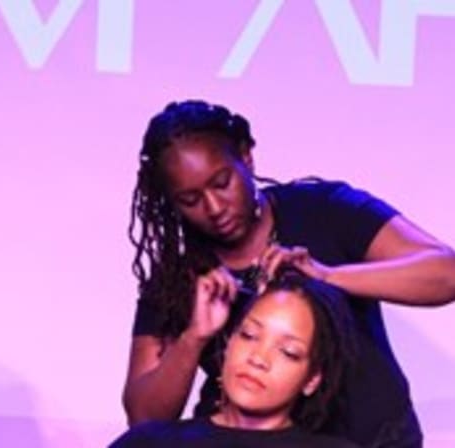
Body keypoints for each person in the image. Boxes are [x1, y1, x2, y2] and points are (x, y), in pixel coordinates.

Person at [123, 99, 455, 447]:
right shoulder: (179, 275)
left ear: (246, 157)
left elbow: (446, 273)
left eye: (222, 183)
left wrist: (329, 277)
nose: (215, 207)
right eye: (190, 200)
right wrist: (193, 338)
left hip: (375, 439)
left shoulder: (323, 209)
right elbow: (143, 418)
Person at [112, 272, 360, 447]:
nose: (258, 358)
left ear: (312, 380)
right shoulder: (150, 442)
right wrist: (195, 335)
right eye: (249, 335)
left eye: (288, 352)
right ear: (229, 344)